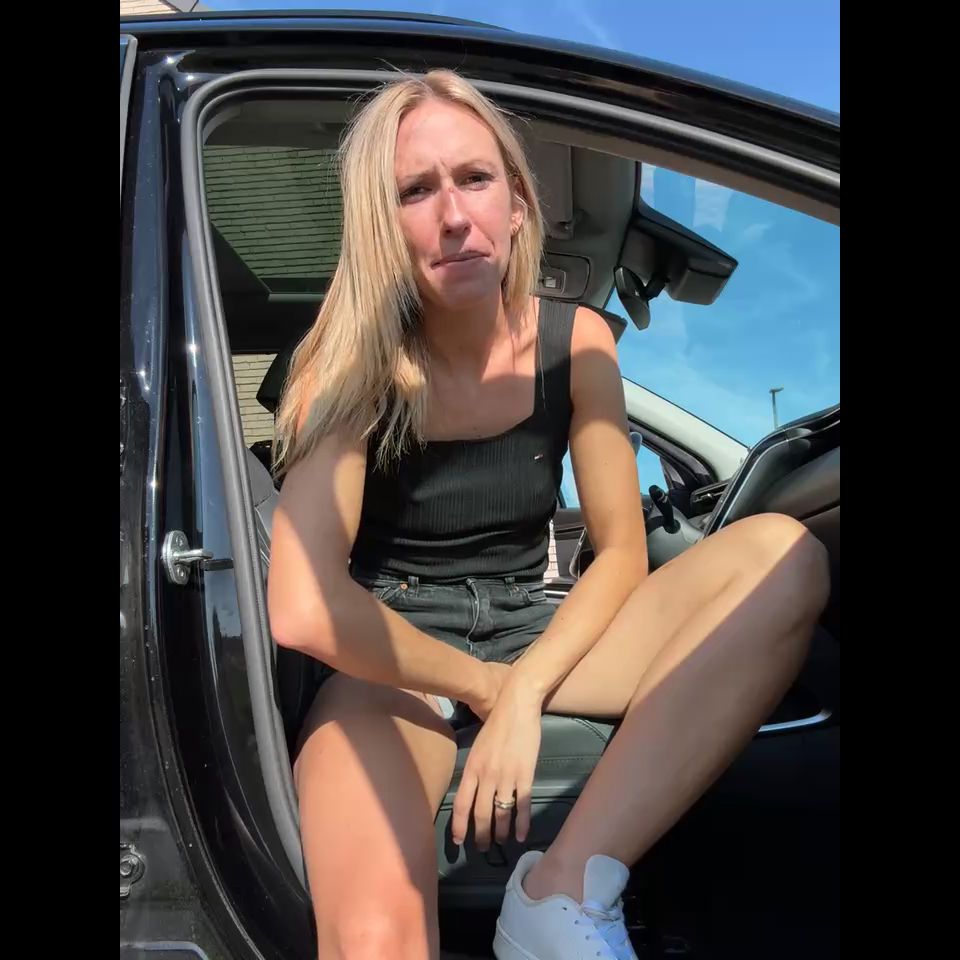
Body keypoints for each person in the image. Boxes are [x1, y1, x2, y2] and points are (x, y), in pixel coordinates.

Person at [267, 68, 830, 960]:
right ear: (382, 222)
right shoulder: (345, 362)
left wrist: (523, 689)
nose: (454, 216)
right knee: (373, 939)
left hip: (537, 632)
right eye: (415, 191)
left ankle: (563, 891)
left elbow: (620, 556)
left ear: (519, 205)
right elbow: (304, 605)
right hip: (395, 658)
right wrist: (483, 689)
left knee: (784, 557)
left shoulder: (579, 341)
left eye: (474, 178)